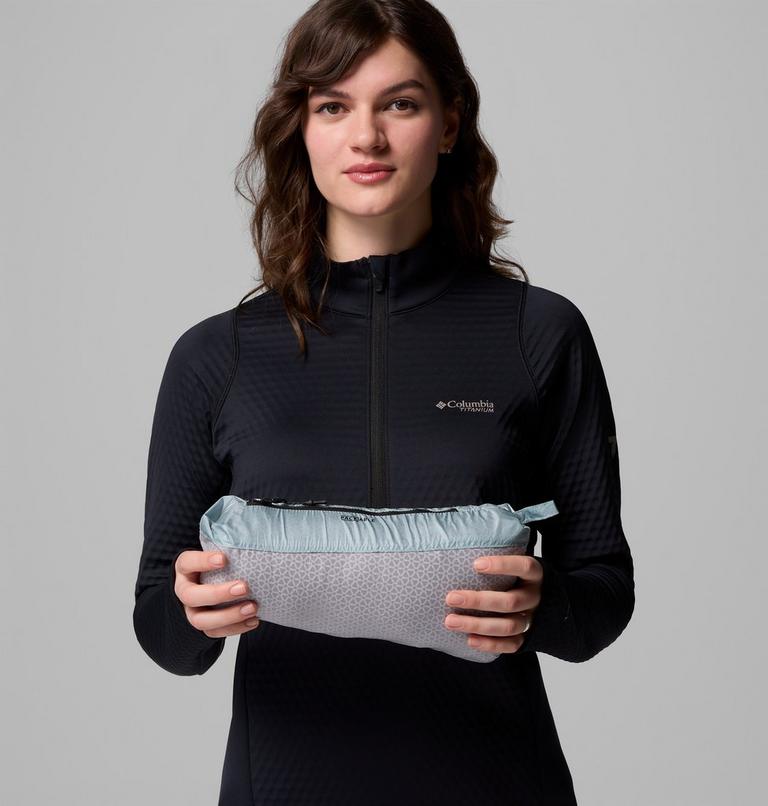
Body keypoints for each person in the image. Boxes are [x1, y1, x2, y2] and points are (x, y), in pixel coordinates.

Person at [132, 1, 635, 803]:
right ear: (301, 128)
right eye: (333, 106)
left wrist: (540, 608)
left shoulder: (537, 334)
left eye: (399, 104)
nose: (366, 137)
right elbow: (160, 626)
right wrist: (191, 609)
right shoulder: (217, 356)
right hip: (284, 788)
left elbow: (603, 591)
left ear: (448, 123)